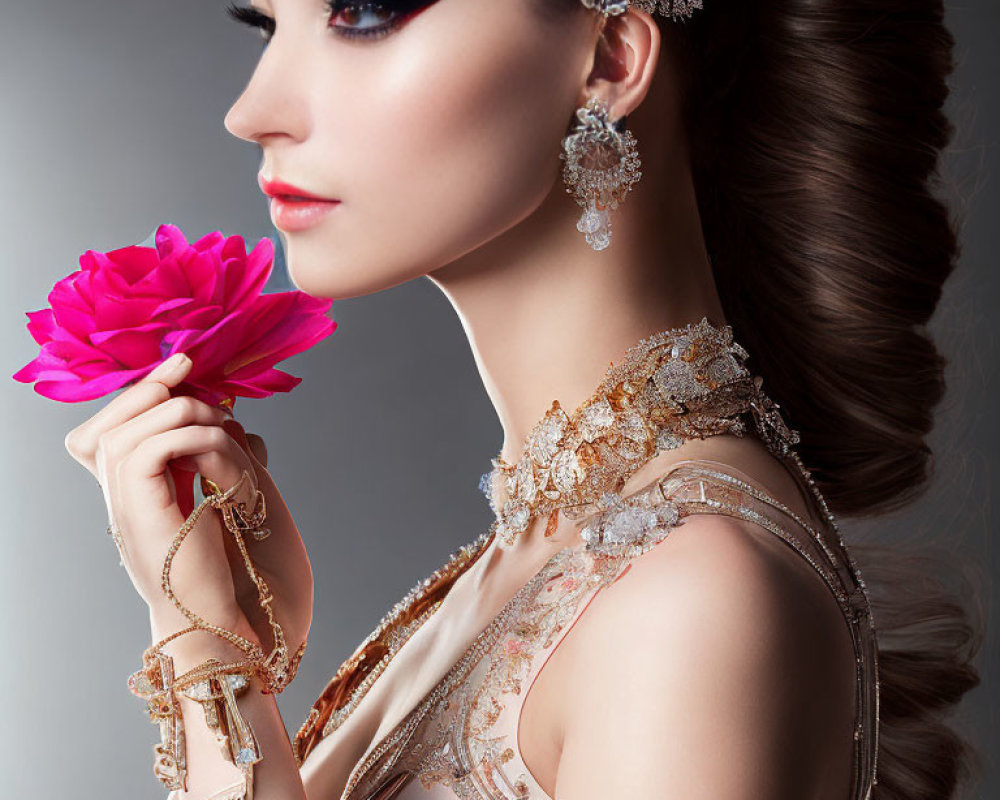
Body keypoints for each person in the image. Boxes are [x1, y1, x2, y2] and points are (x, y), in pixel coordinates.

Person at [63, 0, 983, 798]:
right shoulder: (553, 547)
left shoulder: (692, 596)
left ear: (610, 58)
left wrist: (207, 660)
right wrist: (238, 645)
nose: (250, 110)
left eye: (362, 12)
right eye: (266, 25)